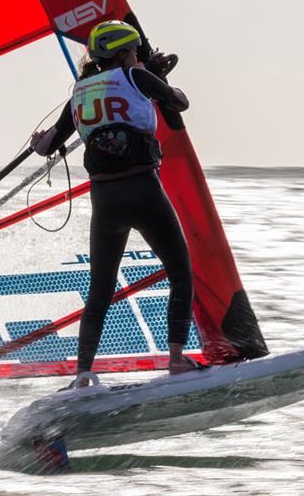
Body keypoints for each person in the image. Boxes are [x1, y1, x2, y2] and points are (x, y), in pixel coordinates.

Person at [30, 20, 198, 387]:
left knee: (100, 290)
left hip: (105, 200)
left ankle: (83, 373)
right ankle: (176, 359)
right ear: (123, 53)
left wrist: (37, 140)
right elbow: (179, 102)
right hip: (144, 190)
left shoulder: (79, 92)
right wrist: (157, 77)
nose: (137, 56)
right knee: (181, 272)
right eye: (135, 51)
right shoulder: (136, 76)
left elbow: (46, 146)